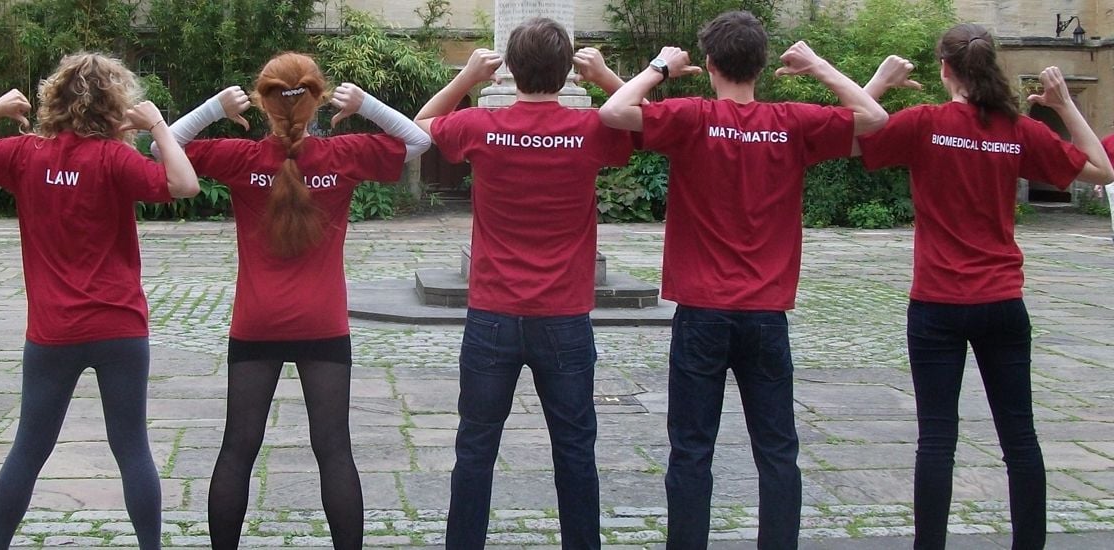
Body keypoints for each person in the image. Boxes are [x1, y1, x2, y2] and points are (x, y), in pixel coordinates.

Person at [598, 11, 887, 550]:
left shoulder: (693, 117)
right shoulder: (791, 121)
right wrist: (818, 66)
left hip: (702, 312)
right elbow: (873, 118)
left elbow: (614, 112)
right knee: (777, 450)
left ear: (709, 63)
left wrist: (661, 66)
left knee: (691, 450)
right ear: (762, 64)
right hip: (765, 314)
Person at [160, 53, 431, 549]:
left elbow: (165, 145)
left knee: (237, 449)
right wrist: (366, 104)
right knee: (334, 450)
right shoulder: (343, 155)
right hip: (323, 321)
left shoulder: (241, 159)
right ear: (317, 100)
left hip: (256, 321)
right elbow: (419, 141)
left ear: (264, 104)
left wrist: (215, 108)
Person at [857, 25, 1113, 550]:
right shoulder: (1018, 129)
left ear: (944, 69)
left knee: (936, 440)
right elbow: (1102, 170)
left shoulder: (924, 123)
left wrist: (879, 83)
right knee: (1020, 439)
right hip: (1001, 301)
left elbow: (847, 135)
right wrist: (1065, 104)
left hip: (936, 303)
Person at [0, 52, 198, 550]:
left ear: (53, 99)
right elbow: (184, 184)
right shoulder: (114, 158)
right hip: (120, 326)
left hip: (52, 331)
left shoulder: (25, 153)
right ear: (114, 105)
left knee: (29, 448)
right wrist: (158, 125)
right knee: (132, 448)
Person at [415, 18, 636, 550]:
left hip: (492, 314)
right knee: (575, 450)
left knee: (475, 448)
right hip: (564, 316)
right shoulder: (592, 129)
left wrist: (466, 78)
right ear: (567, 72)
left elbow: (419, 127)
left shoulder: (480, 125)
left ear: (510, 70)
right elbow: (649, 121)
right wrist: (607, 76)